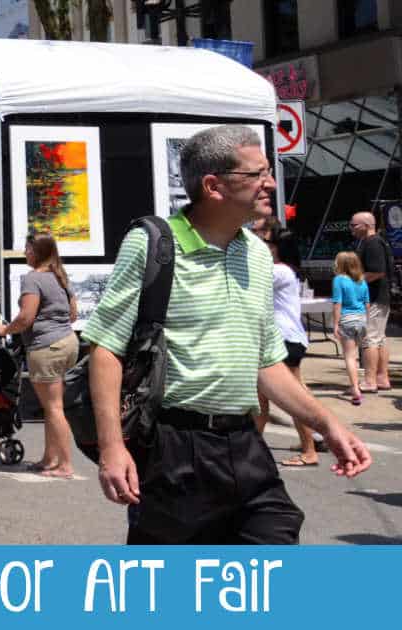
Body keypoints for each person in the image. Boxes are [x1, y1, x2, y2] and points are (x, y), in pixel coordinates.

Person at [84, 125, 370, 545]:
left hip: (243, 442)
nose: (269, 183)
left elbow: (266, 362)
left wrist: (327, 424)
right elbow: (106, 348)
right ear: (214, 186)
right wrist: (112, 448)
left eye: (268, 171)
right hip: (174, 448)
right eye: (256, 174)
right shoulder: (152, 246)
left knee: (275, 544)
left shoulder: (255, 253)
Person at [0, 233, 79, 478]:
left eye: (27, 248)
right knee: (51, 407)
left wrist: (5, 330)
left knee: (53, 408)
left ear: (37, 252)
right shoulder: (60, 277)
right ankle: (49, 458)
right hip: (67, 342)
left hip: (46, 347)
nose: (24, 252)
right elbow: (73, 313)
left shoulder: (33, 279)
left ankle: (64, 464)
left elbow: (25, 317)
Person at [255, 228, 318, 466]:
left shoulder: (279, 271)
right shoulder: (286, 271)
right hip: (285, 338)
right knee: (262, 395)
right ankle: (253, 447)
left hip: (284, 339)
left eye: (266, 241)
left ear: (278, 247)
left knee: (292, 396)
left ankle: (310, 449)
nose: (263, 245)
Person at [351, 211, 393, 392]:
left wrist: (353, 282)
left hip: (374, 298)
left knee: (370, 340)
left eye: (355, 225)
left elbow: (377, 271)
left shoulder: (373, 243)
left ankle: (370, 381)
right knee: (379, 339)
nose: (351, 229)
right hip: (379, 297)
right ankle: (382, 378)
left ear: (367, 225)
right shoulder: (374, 242)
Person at [332, 251, 371, 405]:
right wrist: (366, 322)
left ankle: (355, 388)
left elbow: (337, 303)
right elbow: (367, 304)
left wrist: (335, 324)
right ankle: (354, 384)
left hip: (347, 320)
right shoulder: (362, 281)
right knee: (354, 355)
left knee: (349, 356)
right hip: (361, 320)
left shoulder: (339, 280)